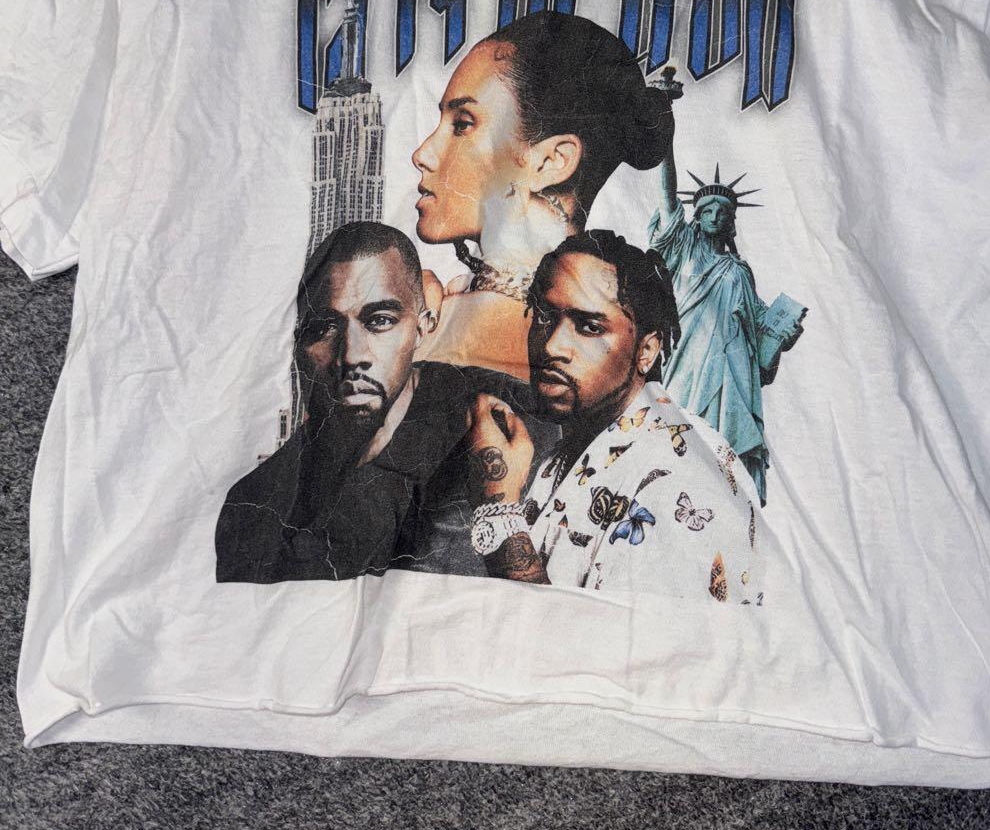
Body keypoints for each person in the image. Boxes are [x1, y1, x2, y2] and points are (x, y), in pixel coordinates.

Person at [215, 221, 554, 583]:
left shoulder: (511, 427)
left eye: (379, 321)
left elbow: (555, 612)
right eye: (324, 328)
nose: (352, 355)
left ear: (422, 327)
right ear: (298, 345)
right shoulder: (253, 506)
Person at [461, 230, 761, 603]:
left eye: (590, 327)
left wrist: (499, 507)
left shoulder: (682, 480)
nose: (552, 345)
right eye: (544, 316)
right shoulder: (576, 447)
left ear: (646, 351)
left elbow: (598, 642)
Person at [411, 10, 674, 380]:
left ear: (551, 162)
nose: (422, 154)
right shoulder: (444, 308)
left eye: (463, 124)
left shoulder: (474, 336)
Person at [647, 100, 805, 505]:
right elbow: (666, 194)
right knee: (678, 435)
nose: (715, 215)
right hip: (687, 356)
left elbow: (761, 335)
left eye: (723, 211)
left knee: (725, 458)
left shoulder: (740, 271)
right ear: (696, 217)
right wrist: (664, 120)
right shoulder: (683, 248)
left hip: (733, 367)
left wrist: (782, 336)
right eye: (707, 210)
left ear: (731, 221)